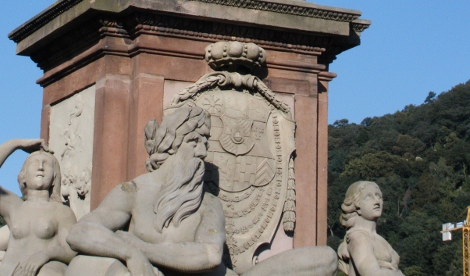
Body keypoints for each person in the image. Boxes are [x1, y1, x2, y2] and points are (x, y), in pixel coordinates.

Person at [65, 104, 337, 276]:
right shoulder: (133, 192)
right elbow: (80, 231)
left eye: (205, 142)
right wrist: (129, 254)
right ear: (170, 144)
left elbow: (209, 255)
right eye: (195, 141)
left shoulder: (208, 204)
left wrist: (140, 249)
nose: (203, 151)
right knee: (87, 266)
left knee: (325, 258)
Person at [0, 138, 77, 276]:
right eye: (34, 163)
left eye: (47, 164)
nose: (40, 167)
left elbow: (72, 249)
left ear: (55, 177)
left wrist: (45, 254)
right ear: (23, 175)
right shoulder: (13, 206)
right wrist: (15, 144)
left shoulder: (62, 211)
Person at [337, 182, 404, 276]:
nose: (377, 201)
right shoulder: (359, 238)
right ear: (357, 205)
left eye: (379, 196)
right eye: (368, 197)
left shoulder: (379, 239)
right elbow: (372, 274)